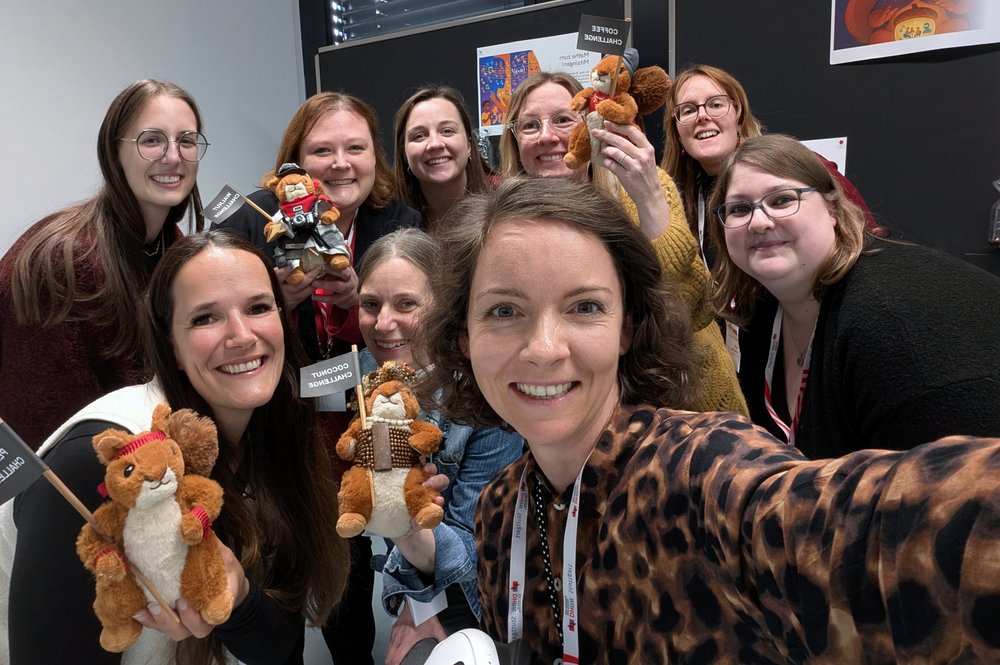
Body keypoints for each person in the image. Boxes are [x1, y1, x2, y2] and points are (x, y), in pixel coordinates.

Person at [420, 176, 1000, 664]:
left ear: (627, 328)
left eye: (585, 307)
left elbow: (872, 532)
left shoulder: (701, 470)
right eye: (504, 310)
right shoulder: (499, 512)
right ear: (464, 336)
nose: (545, 348)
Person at [4, 231, 349, 663]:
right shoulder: (103, 464)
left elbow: (280, 645)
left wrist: (241, 599)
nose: (242, 335)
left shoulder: (274, 428)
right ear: (171, 344)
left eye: (258, 308)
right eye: (205, 318)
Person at [213, 91, 421, 665]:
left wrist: (360, 303)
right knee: (287, 548)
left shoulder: (397, 223)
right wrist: (273, 304)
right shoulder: (255, 219)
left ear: (375, 157)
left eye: (356, 148)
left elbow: (410, 331)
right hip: (284, 416)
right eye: (322, 150)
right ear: (296, 161)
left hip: (365, 411)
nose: (340, 163)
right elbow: (224, 322)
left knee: (362, 538)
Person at [707, 133, 1000, 458]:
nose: (758, 222)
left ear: (832, 208)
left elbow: (961, 483)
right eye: (739, 208)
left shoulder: (894, 326)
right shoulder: (760, 312)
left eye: (782, 200)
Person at [498, 70, 747, 416]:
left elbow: (694, 308)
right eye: (529, 126)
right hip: (577, 415)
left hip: (688, 404)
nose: (547, 136)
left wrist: (648, 196)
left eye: (563, 120)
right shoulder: (507, 227)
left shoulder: (638, 188)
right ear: (514, 141)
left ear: (590, 124)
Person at [0, 79, 207, 450]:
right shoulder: (62, 261)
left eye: (187, 141)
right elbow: (53, 432)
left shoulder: (170, 247)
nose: (173, 156)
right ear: (114, 152)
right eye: (152, 140)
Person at [352, 229, 523, 664]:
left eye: (405, 304)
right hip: (412, 580)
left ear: (443, 307)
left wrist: (408, 527)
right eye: (370, 304)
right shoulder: (368, 383)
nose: (383, 323)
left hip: (483, 600)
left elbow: (474, 556)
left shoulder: (484, 402)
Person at [661, 63, 882, 269]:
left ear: (738, 117)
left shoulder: (795, 167)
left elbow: (867, 242)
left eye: (716, 104)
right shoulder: (676, 202)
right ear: (677, 132)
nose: (702, 116)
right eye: (688, 110)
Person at [392, 85, 493, 228]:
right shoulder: (388, 221)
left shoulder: (505, 207)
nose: (435, 144)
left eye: (447, 131)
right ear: (404, 153)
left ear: (469, 145)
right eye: (419, 136)